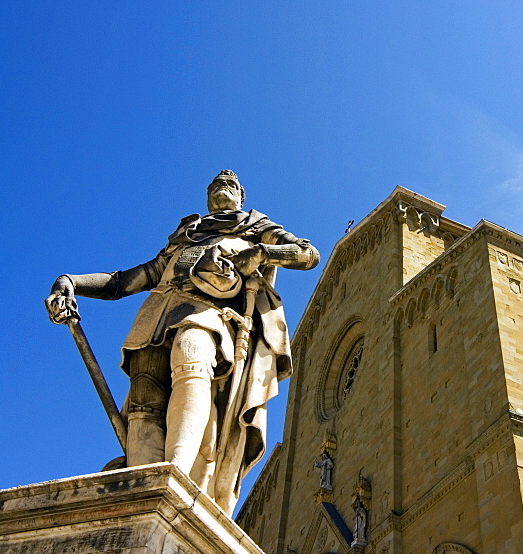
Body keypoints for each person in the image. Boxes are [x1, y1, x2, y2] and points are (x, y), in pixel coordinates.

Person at [45, 170, 318, 513]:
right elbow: (122, 282)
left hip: (211, 314)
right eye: (216, 185)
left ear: (241, 196)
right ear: (206, 197)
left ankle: (177, 475)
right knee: (145, 402)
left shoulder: (255, 228)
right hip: (155, 319)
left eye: (230, 185)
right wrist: (69, 281)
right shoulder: (183, 240)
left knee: (192, 355)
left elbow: (307, 254)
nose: (223, 188)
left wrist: (263, 253)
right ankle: (142, 489)